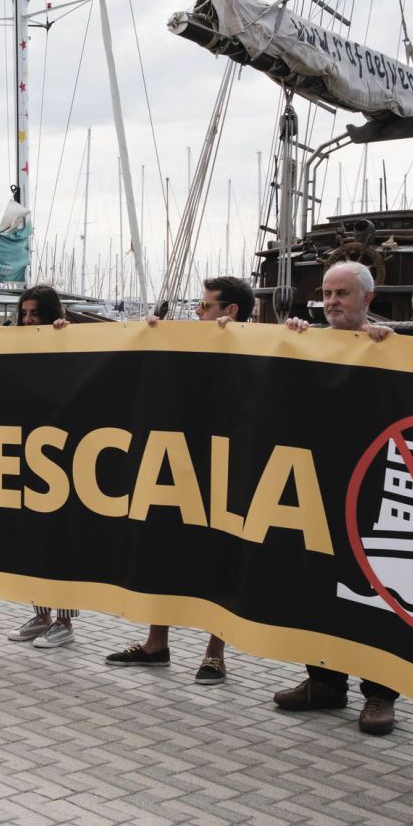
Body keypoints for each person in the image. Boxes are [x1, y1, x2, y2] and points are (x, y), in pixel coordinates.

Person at [105, 276, 254, 684]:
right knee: (161, 544)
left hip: (225, 465)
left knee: (220, 553)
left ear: (231, 312)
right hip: (174, 460)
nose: (197, 313)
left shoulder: (254, 348)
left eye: (204, 307)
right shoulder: (183, 344)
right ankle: (156, 644)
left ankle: (214, 654)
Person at [273, 260, 399, 733]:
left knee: (376, 589)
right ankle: (324, 681)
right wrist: (292, 337)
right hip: (316, 485)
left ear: (368, 299)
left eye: (341, 294)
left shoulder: (393, 347)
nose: (330, 303)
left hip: (374, 489)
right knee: (318, 583)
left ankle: (381, 695)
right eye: (325, 294)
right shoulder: (308, 340)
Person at [0, 285, 79, 648]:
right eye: (23, 313)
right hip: (25, 452)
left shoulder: (67, 340)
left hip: (60, 455)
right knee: (32, 540)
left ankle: (65, 622)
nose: (27, 320)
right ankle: (41, 614)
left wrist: (64, 337)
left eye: (34, 314)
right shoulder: (16, 343)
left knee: (59, 539)